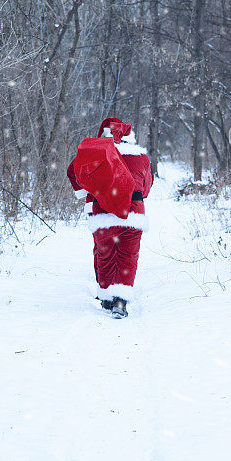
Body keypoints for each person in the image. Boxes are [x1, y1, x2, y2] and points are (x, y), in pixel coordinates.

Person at [67, 117, 153, 318]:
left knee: (105, 255)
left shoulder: (95, 153)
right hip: (133, 213)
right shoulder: (141, 157)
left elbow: (73, 171)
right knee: (128, 257)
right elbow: (147, 186)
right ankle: (120, 303)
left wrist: (86, 189)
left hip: (103, 213)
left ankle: (106, 298)